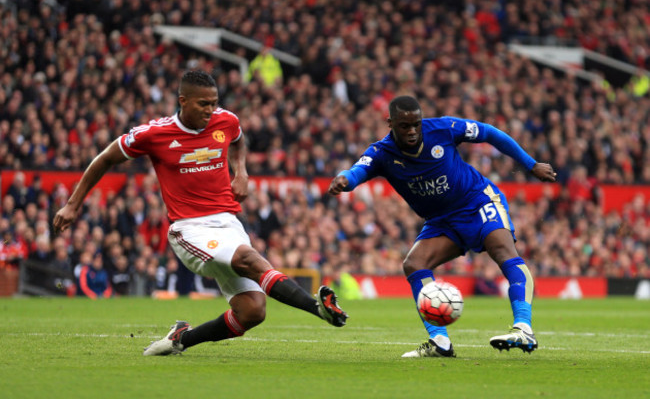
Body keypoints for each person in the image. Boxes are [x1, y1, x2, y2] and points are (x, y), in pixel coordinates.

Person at [53, 70, 347, 356]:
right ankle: (316, 308)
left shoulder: (226, 120)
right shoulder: (154, 133)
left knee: (252, 311)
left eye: (214, 102)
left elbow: (238, 139)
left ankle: (182, 339)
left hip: (228, 223)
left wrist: (240, 171)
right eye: (203, 104)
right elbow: (104, 159)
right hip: (189, 229)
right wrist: (73, 204)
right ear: (183, 101)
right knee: (249, 258)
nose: (210, 110)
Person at [328, 95, 556, 358]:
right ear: (390, 123)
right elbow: (357, 171)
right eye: (404, 126)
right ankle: (440, 342)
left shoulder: (444, 128)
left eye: (416, 124)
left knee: (504, 252)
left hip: (477, 201)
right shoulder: (381, 153)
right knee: (414, 264)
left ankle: (524, 328)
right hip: (442, 221)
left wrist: (531, 164)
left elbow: (490, 133)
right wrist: (344, 179)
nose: (412, 131)